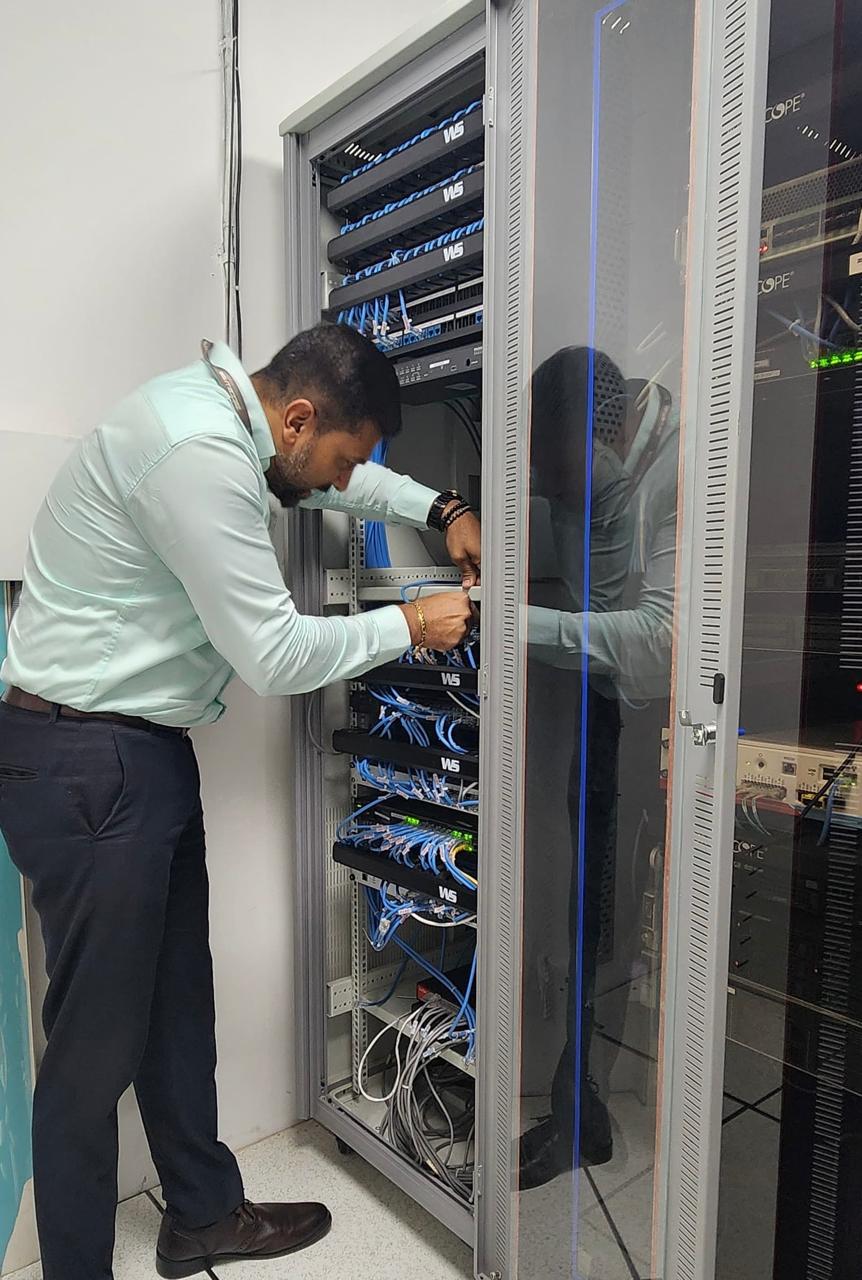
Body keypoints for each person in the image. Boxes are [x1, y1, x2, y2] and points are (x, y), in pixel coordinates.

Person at [0, 323, 479, 1280]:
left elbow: (343, 482)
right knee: (93, 1052)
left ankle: (203, 1217)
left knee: (177, 1005)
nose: (343, 482)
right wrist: (409, 624)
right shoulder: (199, 453)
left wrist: (444, 506)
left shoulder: (237, 424)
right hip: (90, 764)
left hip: (135, 756)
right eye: (339, 459)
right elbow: (276, 654)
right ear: (296, 419)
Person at [519, 346, 679, 1189]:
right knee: (587, 903)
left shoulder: (682, 469)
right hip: (600, 706)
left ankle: (586, 1107)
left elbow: (659, 642)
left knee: (615, 910)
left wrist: (517, 626)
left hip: (669, 723)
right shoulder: (577, 471)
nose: (544, 485)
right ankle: (577, 1106)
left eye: (554, 467)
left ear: (603, 433)